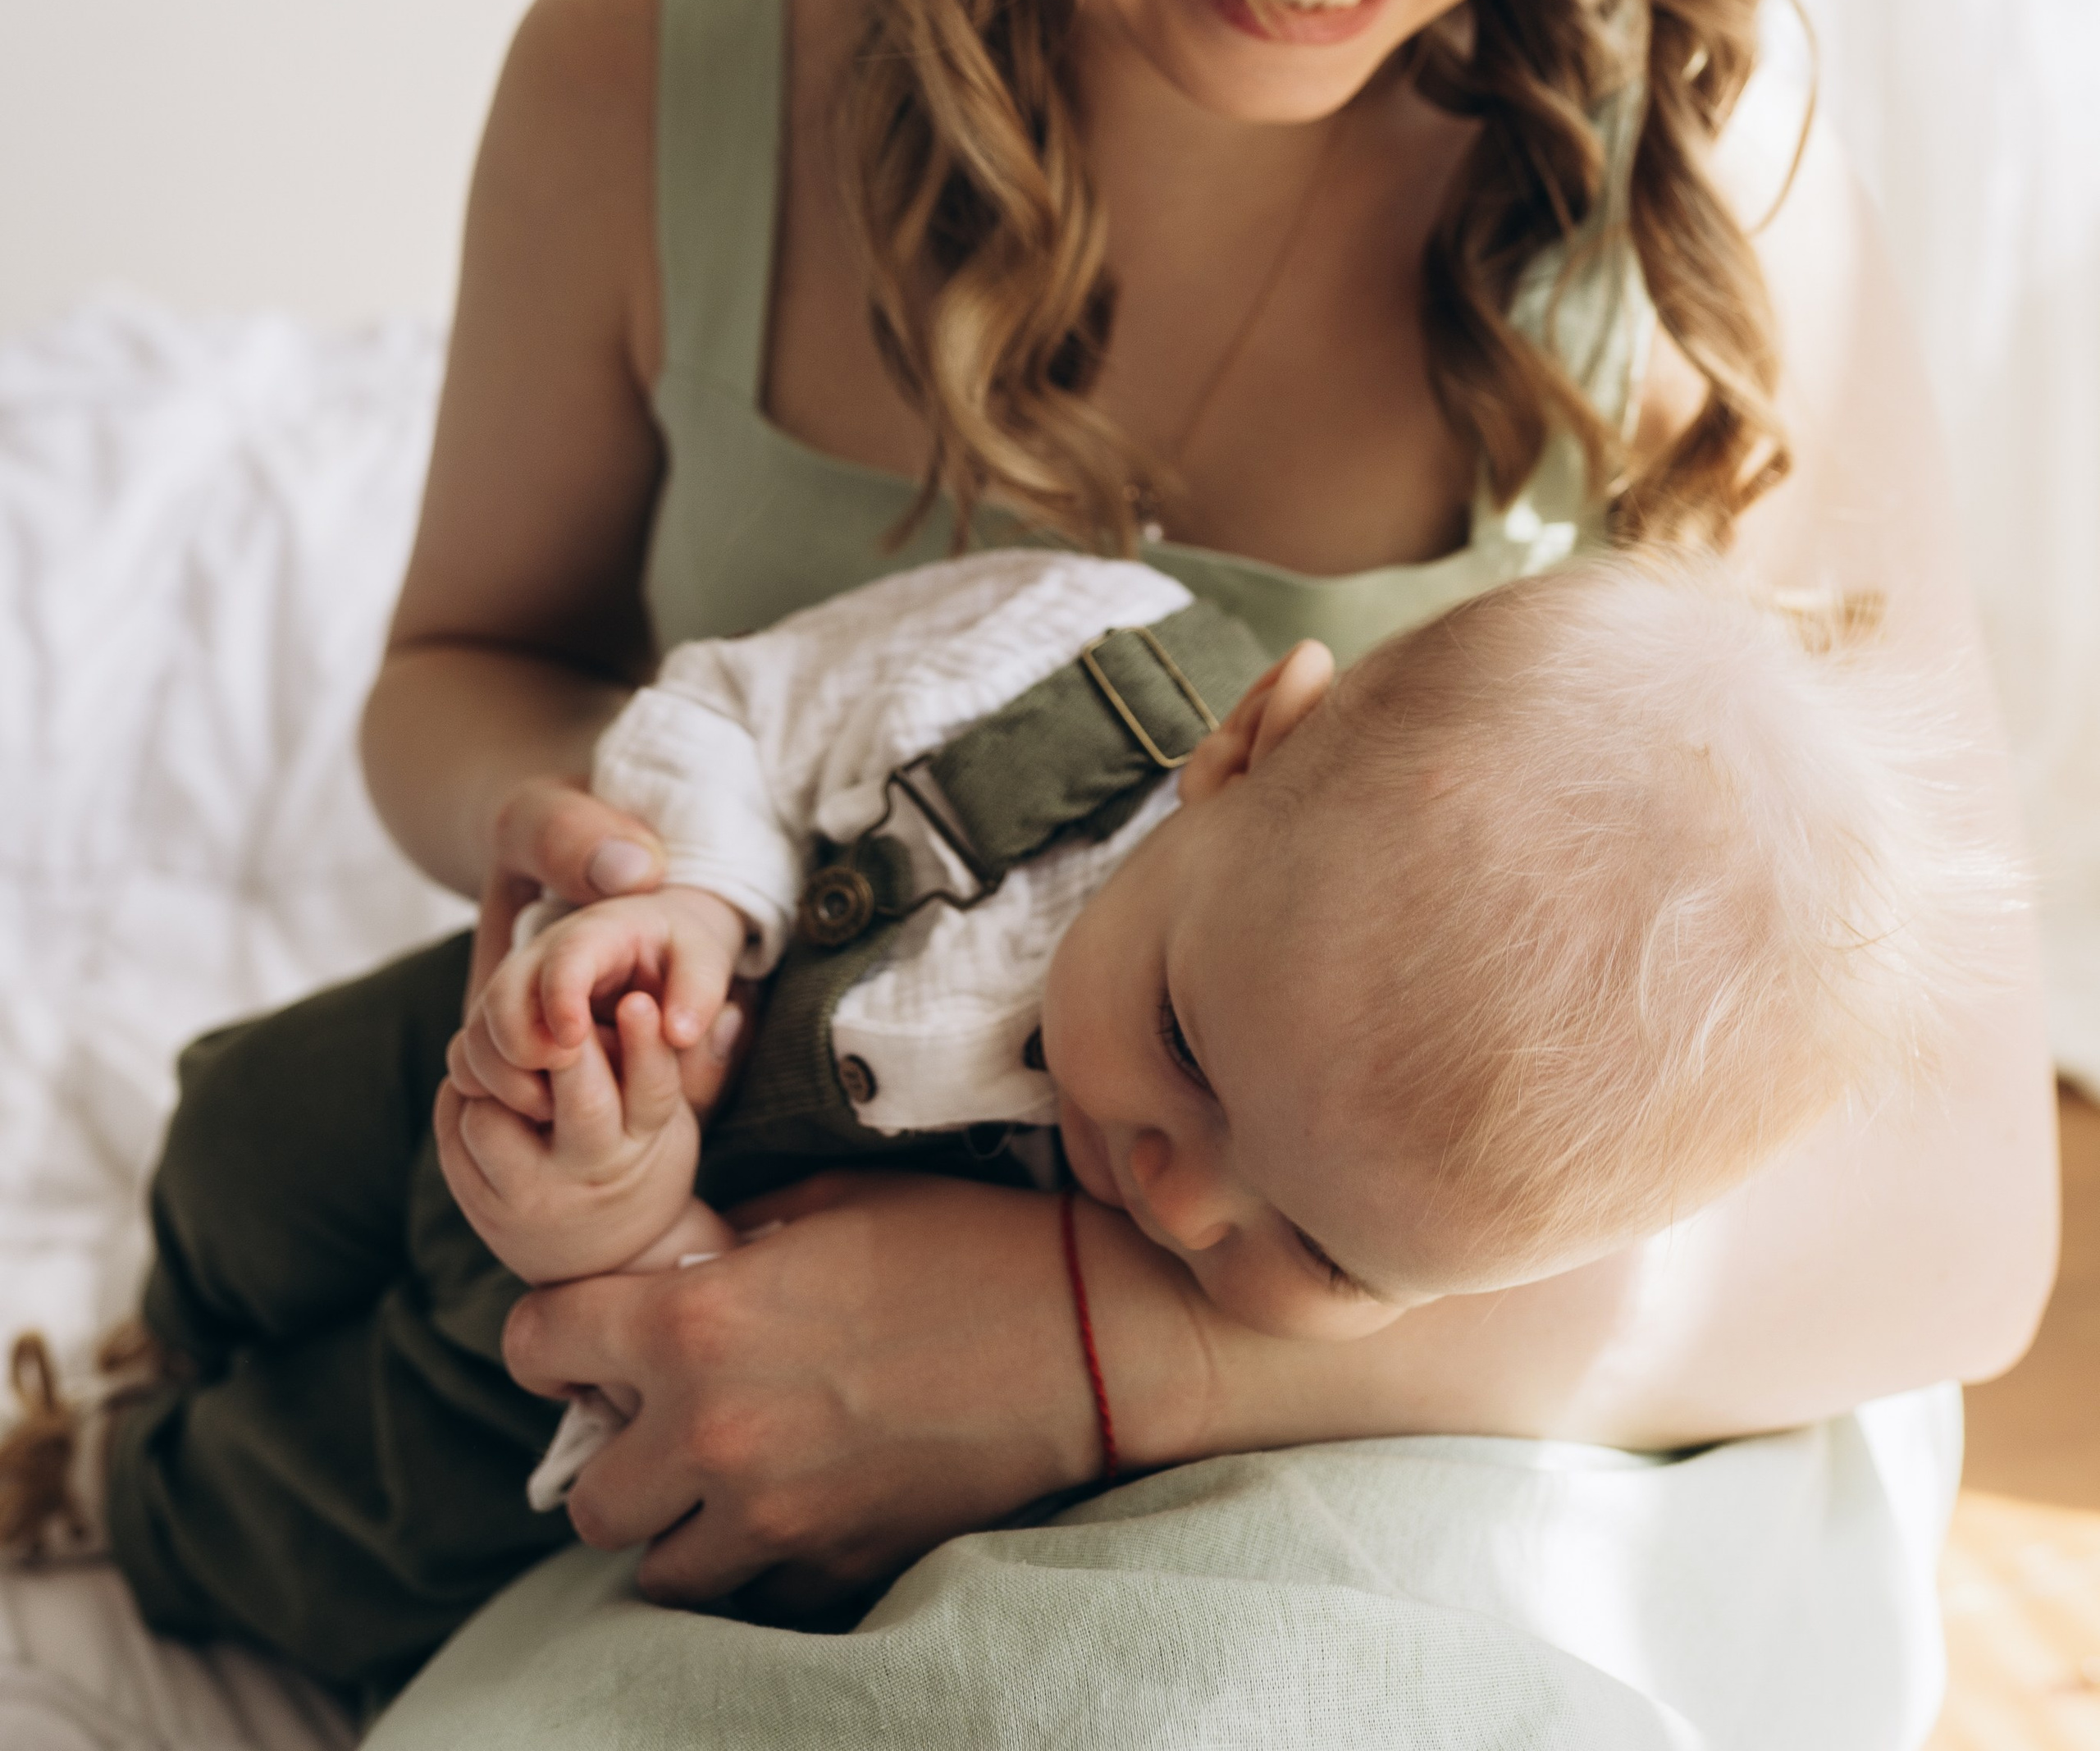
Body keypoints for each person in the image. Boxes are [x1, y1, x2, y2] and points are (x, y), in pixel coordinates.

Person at [345, 0, 2050, 1648]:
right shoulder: (645, 70)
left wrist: (1084, 1356)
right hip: (760, 1347)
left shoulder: (1696, 209)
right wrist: (642, 854)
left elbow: (1957, 1221)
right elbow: (456, 667)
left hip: (1469, 1431)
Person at [23, 552, 1993, 1701]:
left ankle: (118, 1477)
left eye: (1318, 1254)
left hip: (581, 1345)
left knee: (341, 1526)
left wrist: (622, 1233)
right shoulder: (1054, 679)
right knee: (243, 1144)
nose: (1173, 1194)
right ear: (1246, 749)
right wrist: (683, 899)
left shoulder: (1142, 1362)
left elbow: (760, 1399)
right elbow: (740, 707)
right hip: (515, 1035)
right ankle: (168, 1303)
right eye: (1187, 1048)